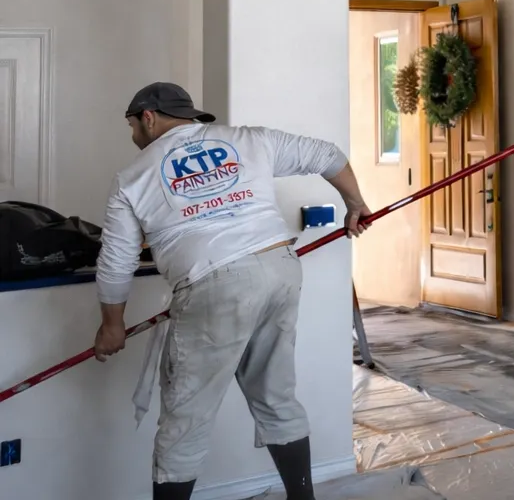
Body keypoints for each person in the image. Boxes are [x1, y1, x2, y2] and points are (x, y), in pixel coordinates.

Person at [92, 82, 372, 500]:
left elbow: (116, 260)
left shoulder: (132, 178)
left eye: (132, 125)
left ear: (148, 118)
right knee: (276, 397)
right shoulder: (247, 139)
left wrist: (111, 326)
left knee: (186, 418)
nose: (133, 136)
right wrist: (355, 204)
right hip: (278, 268)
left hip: (214, 285)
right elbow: (327, 155)